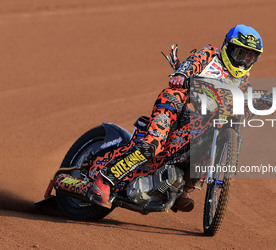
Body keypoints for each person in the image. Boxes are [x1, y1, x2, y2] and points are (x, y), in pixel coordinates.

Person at [88, 24, 264, 212]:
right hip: (177, 102)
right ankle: (104, 179)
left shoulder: (243, 82)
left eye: (249, 57)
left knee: (214, 140)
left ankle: (182, 186)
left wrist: (263, 102)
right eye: (240, 53)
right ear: (228, 48)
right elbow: (192, 63)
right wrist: (182, 74)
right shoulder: (211, 55)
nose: (243, 61)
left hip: (200, 121)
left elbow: (244, 106)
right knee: (153, 144)